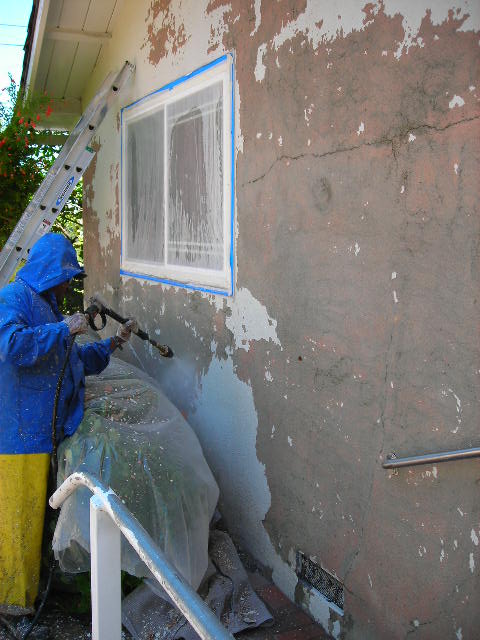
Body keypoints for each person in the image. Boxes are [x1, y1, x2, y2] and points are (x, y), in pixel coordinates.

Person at [0, 233, 135, 629]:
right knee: (18, 523)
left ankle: (28, 591)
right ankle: (12, 607)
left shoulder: (45, 304)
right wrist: (63, 329)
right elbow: (11, 346)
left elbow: (70, 363)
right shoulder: (13, 298)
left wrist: (112, 345)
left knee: (37, 521)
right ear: (47, 271)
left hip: (42, 432)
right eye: (63, 277)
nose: (66, 284)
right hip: (18, 434)